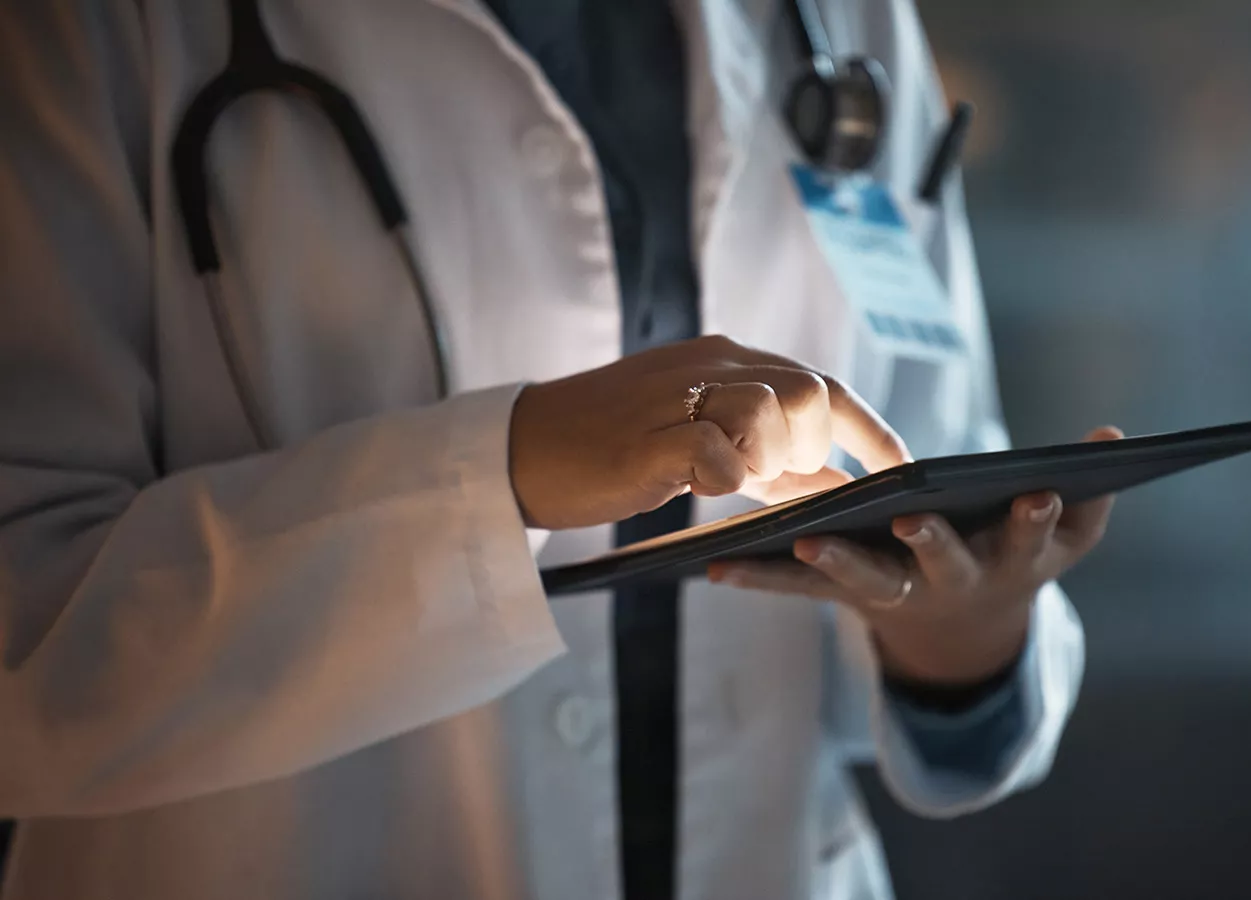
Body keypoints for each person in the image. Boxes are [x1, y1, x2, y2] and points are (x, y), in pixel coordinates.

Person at [0, 2, 1119, 898]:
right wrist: (508, 467)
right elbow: (27, 637)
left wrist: (957, 640)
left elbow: (925, 444)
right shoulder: (88, 26)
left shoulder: (840, 21)